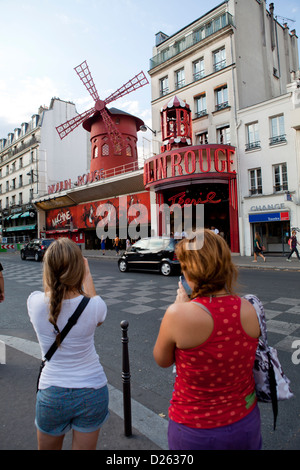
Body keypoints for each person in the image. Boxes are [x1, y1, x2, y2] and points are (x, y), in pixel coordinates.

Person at [153, 229, 262, 450]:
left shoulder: (178, 314)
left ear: (192, 271)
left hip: (195, 428)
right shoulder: (249, 308)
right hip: (245, 422)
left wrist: (181, 307)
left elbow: (162, 360)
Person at [27, 238, 109, 450]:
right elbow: (97, 312)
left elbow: (51, 296)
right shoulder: (96, 306)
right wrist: (87, 274)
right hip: (93, 390)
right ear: (79, 268)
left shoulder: (34, 303)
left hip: (52, 392)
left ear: (48, 269)